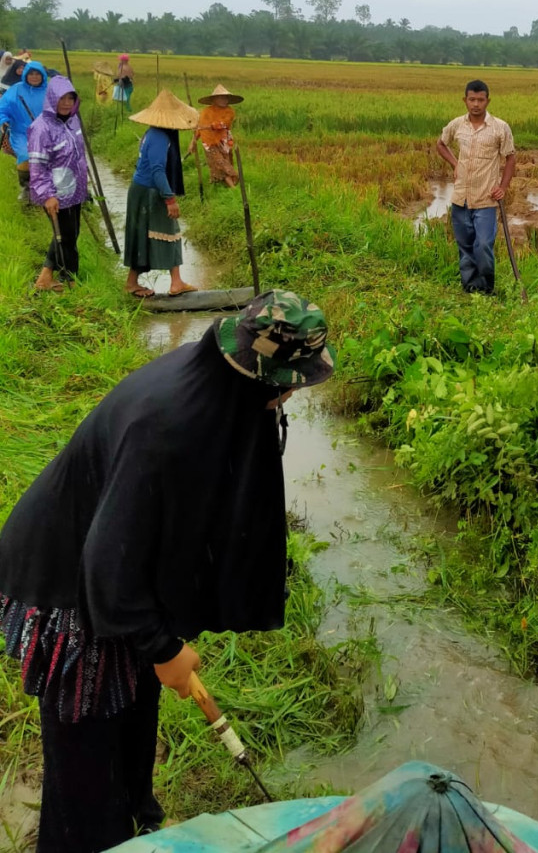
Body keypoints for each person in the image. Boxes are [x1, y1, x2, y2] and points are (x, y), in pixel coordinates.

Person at [0, 289, 335, 853]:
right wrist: (162, 647)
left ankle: (136, 820)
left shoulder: (218, 385)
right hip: (68, 588)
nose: (290, 398)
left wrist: (159, 647)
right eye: (291, 385)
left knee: (131, 711)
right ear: (265, 378)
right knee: (85, 761)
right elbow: (106, 566)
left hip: (116, 579)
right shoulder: (171, 426)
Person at [435, 79, 516, 295]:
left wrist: (503, 187)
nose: (476, 104)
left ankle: (487, 288)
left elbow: (510, 158)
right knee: (465, 246)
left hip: (486, 199)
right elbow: (441, 144)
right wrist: (456, 164)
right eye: (472, 99)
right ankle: (469, 288)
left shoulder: (500, 128)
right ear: (465, 100)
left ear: (487, 101)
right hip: (460, 197)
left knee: (482, 245)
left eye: (480, 100)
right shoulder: (457, 125)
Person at [123, 88, 197, 299]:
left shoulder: (156, 133)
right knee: (164, 231)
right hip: (149, 191)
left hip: (145, 190)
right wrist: (170, 199)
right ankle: (172, 282)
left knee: (151, 233)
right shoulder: (158, 137)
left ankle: (168, 282)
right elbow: (157, 170)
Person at [27, 75, 89, 292]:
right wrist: (47, 195)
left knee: (70, 233)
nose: (66, 103)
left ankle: (45, 278)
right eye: (62, 99)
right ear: (52, 99)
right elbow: (37, 167)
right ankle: (71, 281)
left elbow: (79, 154)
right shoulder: (41, 128)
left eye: (70, 99)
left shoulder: (73, 120)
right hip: (56, 192)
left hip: (76, 190)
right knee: (67, 237)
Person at [0, 59, 49, 201]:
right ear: (26, 75)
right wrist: (3, 121)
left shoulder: (50, 91)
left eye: (37, 74)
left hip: (44, 134)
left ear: (43, 76)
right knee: (25, 156)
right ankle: (26, 188)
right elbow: (3, 108)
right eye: (31, 73)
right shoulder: (16, 89)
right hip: (21, 133)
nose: (34, 77)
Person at [188, 82, 243, 187]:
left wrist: (209, 126)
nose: (224, 100)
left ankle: (229, 185)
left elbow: (224, 124)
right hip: (209, 142)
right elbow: (199, 128)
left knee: (226, 161)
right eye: (221, 98)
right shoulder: (206, 112)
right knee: (220, 162)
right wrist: (193, 141)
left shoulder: (230, 111)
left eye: (226, 98)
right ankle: (234, 183)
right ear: (214, 100)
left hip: (224, 141)